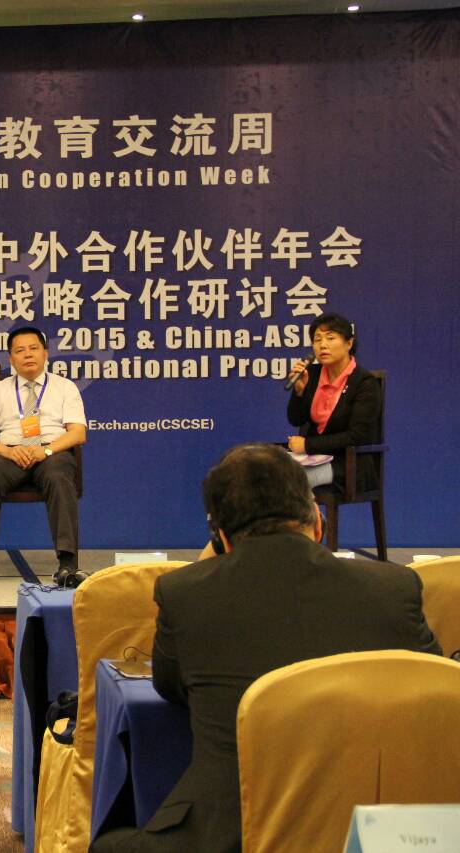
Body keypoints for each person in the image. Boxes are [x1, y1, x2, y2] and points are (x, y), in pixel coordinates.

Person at [90, 444, 439, 853]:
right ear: (318, 521)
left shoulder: (185, 594)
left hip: (232, 832)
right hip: (386, 831)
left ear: (221, 537)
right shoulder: (393, 589)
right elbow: (435, 691)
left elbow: (169, 685)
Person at [0, 326, 87, 585]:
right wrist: (7, 451)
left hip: (51, 452)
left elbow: (78, 433)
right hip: (11, 454)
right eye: (20, 350)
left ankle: (67, 562)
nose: (28, 355)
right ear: (11, 358)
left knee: (58, 478)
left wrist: (46, 450)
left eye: (33, 348)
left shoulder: (65, 387)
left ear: (45, 353)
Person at [284, 312, 381, 494]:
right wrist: (299, 392)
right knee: (267, 472)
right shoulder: (311, 374)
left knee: (291, 482)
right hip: (312, 459)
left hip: (348, 465)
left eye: (330, 338)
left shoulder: (364, 382)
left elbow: (358, 436)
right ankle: (307, 512)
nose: (323, 345)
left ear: (348, 343)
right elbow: (295, 419)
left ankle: (310, 514)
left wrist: (308, 445)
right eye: (317, 339)